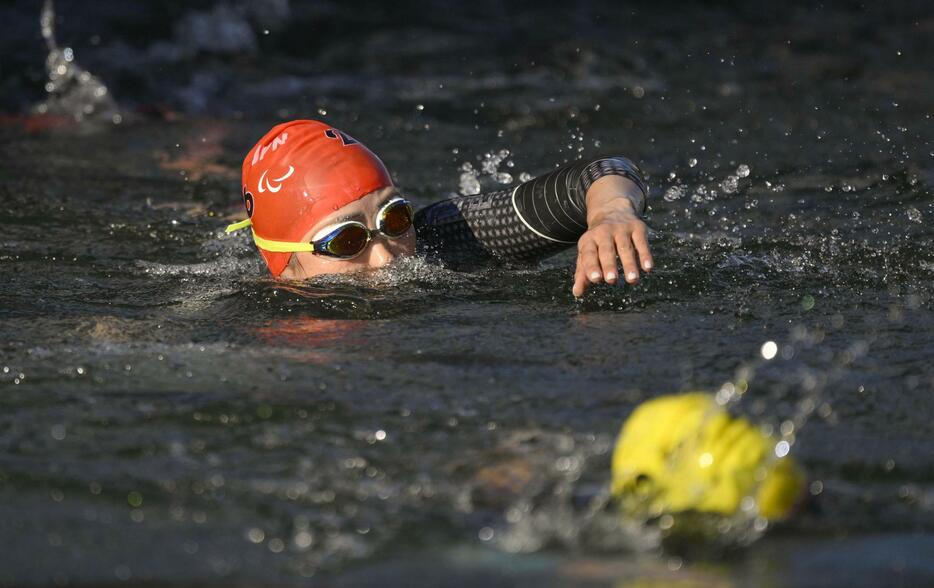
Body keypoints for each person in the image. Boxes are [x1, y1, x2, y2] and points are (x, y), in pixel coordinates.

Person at [225, 119, 653, 296]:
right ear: (283, 263)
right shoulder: (254, 327)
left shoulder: (446, 240)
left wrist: (611, 213)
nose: (386, 255)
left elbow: (601, 170)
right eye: (347, 239)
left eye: (394, 218)